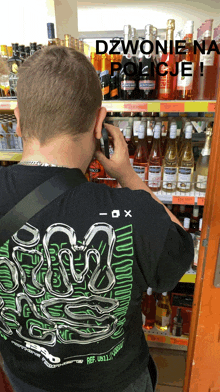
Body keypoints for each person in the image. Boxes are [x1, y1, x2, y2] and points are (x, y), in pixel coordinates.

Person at [0, 46, 193, 392]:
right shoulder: (133, 210)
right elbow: (177, 255)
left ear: (18, 117)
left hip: (26, 377)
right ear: (99, 123)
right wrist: (129, 177)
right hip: (117, 382)